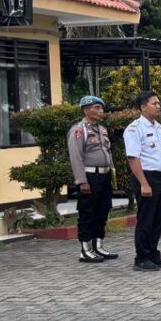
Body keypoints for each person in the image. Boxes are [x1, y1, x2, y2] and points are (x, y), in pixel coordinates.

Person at [124, 91, 161, 271]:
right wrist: (144, 183)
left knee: (158, 219)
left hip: (160, 176)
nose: (158, 106)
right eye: (154, 103)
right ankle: (142, 257)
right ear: (143, 107)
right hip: (146, 177)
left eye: (159, 103)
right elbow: (133, 158)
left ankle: (153, 253)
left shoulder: (159, 128)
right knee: (146, 219)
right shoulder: (134, 128)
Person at [67, 95, 117, 263]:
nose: (100, 111)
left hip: (104, 175)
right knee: (87, 212)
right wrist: (82, 181)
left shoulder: (102, 129)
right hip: (90, 176)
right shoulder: (79, 130)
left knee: (102, 211)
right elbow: (76, 156)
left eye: (101, 108)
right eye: (96, 108)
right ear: (86, 110)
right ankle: (85, 249)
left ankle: (98, 245)